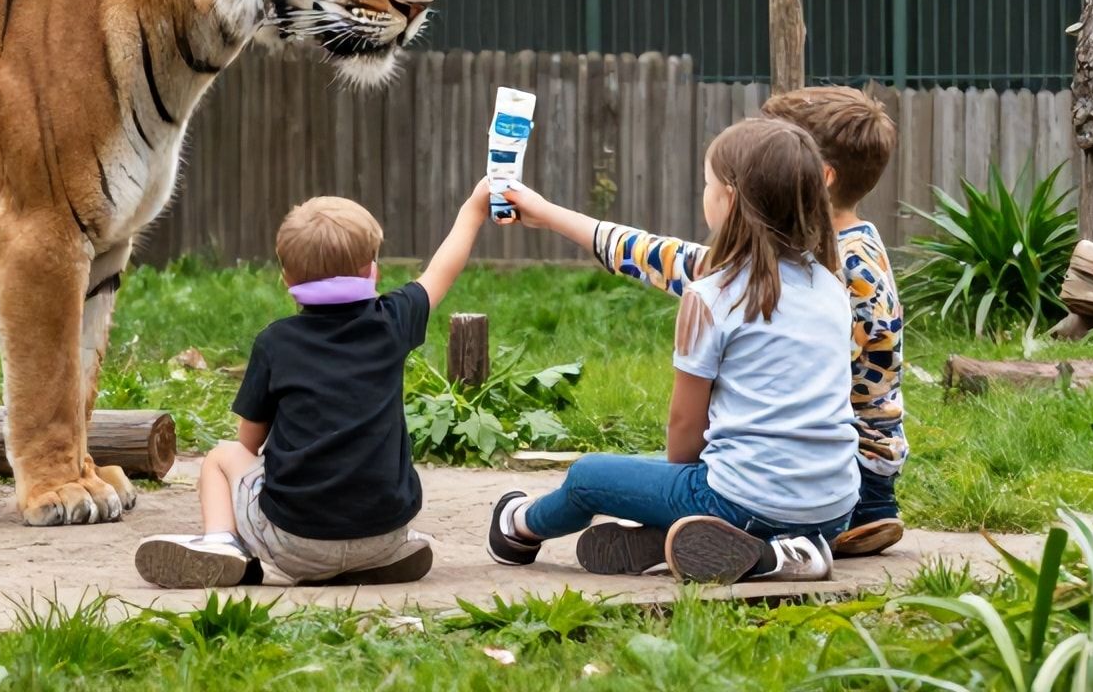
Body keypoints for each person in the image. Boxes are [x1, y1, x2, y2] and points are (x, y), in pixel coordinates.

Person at [504, 86, 906, 558]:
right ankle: (698, 542)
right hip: (829, 484)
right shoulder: (830, 273)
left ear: (821, 176)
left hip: (852, 477)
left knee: (597, 477)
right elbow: (658, 255)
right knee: (666, 476)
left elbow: (703, 418)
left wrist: (687, 482)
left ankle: (782, 541)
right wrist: (549, 215)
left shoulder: (826, 273)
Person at [135, 181, 491, 588]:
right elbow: (443, 267)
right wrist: (474, 209)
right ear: (372, 269)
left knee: (222, 456)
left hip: (294, 542)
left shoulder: (275, 342)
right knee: (379, 509)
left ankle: (221, 544)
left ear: (287, 279)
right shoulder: (393, 322)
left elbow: (248, 443)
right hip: (383, 531)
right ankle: (375, 556)